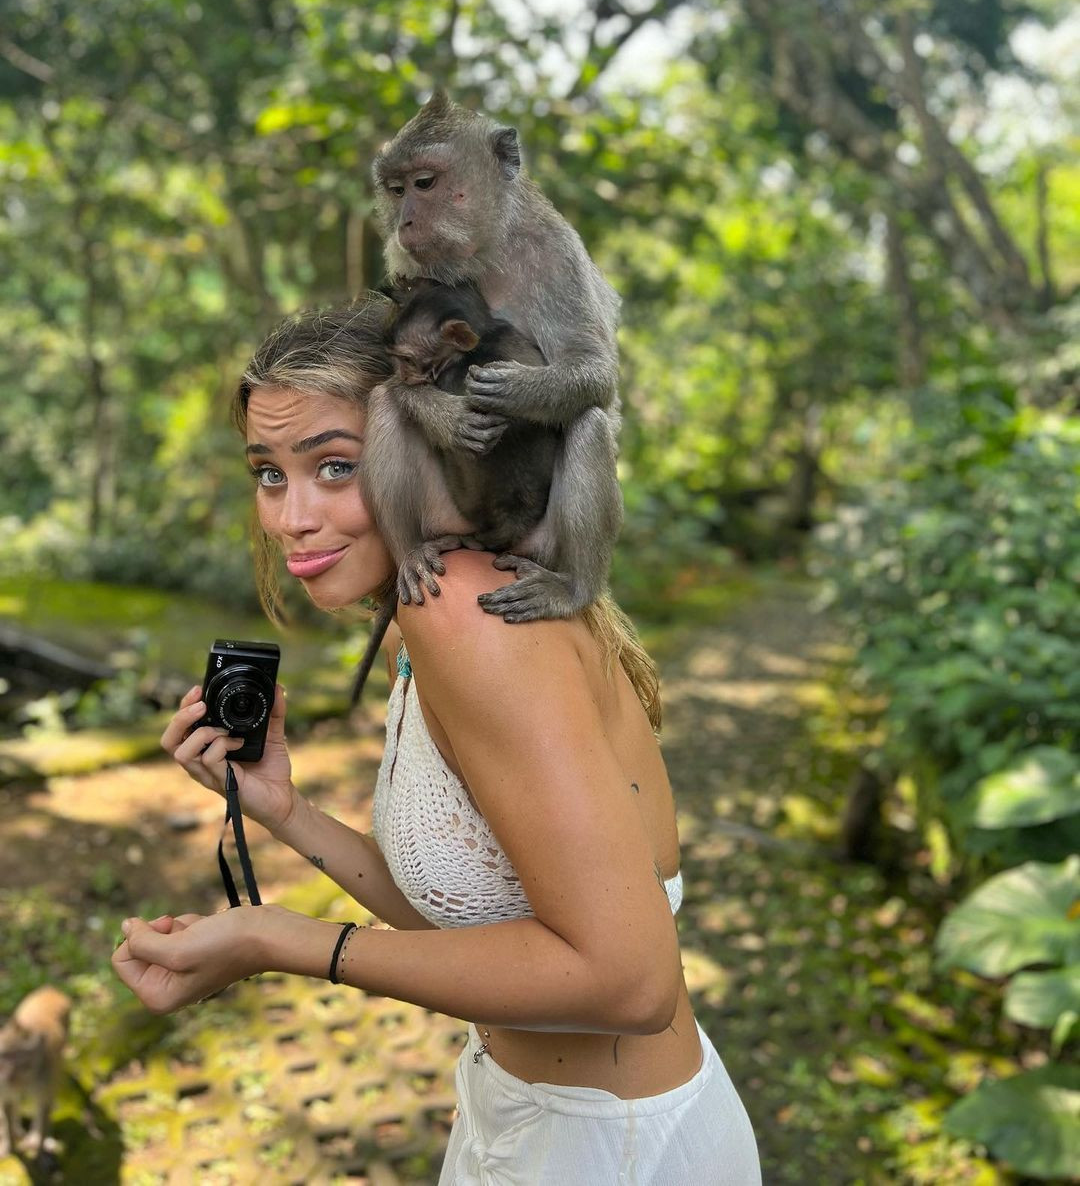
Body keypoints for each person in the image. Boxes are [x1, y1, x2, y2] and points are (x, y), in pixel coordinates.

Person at [111, 295, 762, 1184]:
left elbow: (629, 982)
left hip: (610, 1150)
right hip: (519, 1113)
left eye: (335, 467)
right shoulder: (419, 622)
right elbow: (476, 927)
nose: (290, 516)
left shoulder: (471, 614)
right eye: (270, 473)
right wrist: (287, 812)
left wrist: (280, 942)